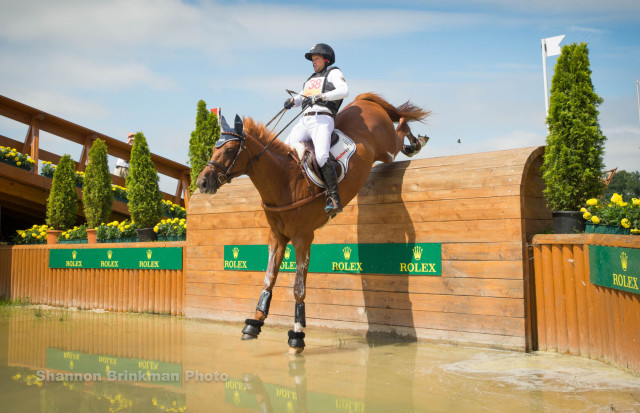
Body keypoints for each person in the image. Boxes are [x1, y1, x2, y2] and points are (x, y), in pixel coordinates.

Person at [284, 43, 348, 217]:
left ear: (326, 59)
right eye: (312, 60)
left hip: (322, 119)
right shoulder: (311, 78)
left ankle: (334, 198)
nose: (314, 62)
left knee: (321, 156)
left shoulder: (333, 72)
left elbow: (344, 90)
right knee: (283, 149)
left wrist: (322, 96)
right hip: (305, 120)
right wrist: (292, 102)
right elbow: (302, 96)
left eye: (317, 59)